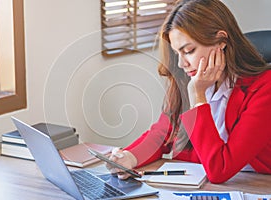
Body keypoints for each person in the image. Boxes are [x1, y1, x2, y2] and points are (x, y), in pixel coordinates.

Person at [106, 0, 271, 184]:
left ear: (221, 41)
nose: (181, 64)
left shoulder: (265, 88)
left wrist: (198, 98)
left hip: (255, 186)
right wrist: (129, 157)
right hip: (201, 185)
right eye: (178, 53)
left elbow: (220, 168)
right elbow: (162, 134)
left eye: (189, 51)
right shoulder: (187, 79)